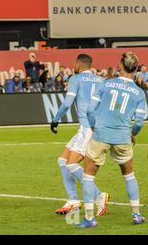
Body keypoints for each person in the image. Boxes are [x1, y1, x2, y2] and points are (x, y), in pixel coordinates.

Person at [78, 52, 147, 227]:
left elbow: (90, 110)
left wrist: (94, 126)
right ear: (136, 69)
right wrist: (132, 134)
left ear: (120, 66)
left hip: (101, 135)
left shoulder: (106, 84)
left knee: (88, 176)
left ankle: (89, 218)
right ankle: (136, 214)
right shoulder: (139, 93)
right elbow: (139, 122)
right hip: (123, 137)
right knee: (129, 175)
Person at [50, 54, 109, 216]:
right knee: (62, 160)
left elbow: (67, 103)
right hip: (97, 127)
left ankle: (99, 195)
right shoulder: (101, 81)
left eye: (74, 63)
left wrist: (55, 119)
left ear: (78, 64)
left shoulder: (76, 79)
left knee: (71, 164)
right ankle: (73, 200)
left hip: (87, 128)